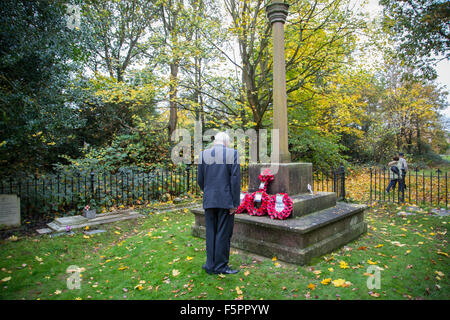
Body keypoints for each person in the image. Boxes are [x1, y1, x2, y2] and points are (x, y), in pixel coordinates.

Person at [197, 132, 241, 275]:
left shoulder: (203, 155)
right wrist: (234, 203)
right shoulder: (232, 153)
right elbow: (234, 180)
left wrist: (209, 191)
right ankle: (220, 266)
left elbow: (200, 179)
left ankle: (210, 265)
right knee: (223, 233)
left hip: (210, 199)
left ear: (215, 141)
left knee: (211, 232)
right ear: (226, 142)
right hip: (225, 200)